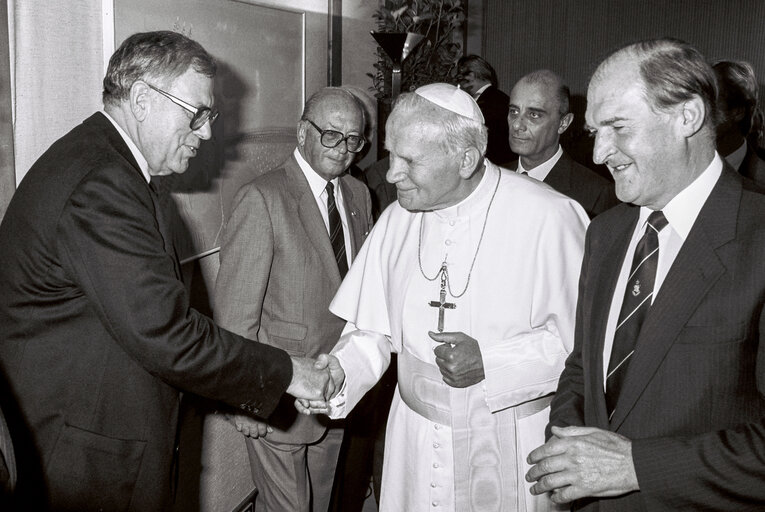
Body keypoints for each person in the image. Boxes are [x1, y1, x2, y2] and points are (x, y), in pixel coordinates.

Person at [0, 31, 331, 511]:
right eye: (196, 113)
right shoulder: (102, 184)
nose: (207, 132)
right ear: (141, 99)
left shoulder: (109, 165)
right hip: (81, 457)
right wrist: (288, 372)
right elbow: (166, 333)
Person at [300, 83, 589, 511]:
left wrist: (491, 364)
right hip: (414, 444)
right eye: (391, 153)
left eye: (409, 160)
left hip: (508, 438)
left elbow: (583, 349)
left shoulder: (551, 218)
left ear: (466, 160)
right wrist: (339, 372)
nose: (391, 173)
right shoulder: (398, 218)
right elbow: (373, 330)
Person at [526, 38, 765, 510]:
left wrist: (637, 467)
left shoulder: (757, 236)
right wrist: (567, 450)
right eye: (595, 131)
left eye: (617, 127)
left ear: (687, 117)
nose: (599, 154)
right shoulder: (605, 233)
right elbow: (582, 366)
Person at [214, 87, 373, 512]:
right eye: (331, 135)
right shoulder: (262, 198)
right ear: (303, 133)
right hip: (278, 395)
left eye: (354, 139)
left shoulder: (357, 195)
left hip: (335, 389)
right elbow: (235, 318)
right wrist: (245, 398)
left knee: (319, 505)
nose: (343, 149)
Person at [504, 69, 617, 218]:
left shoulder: (596, 195)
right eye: (514, 112)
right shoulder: (494, 176)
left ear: (563, 123)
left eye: (534, 115)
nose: (517, 125)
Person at [712, 60, 765, 183]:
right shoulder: (683, 166)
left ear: (737, 111)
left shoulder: (761, 181)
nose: (699, 111)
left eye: (712, 100)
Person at [457, 55, 515, 164]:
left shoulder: (487, 103)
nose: (459, 84)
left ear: (471, 75)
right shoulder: (501, 98)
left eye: (459, 78)